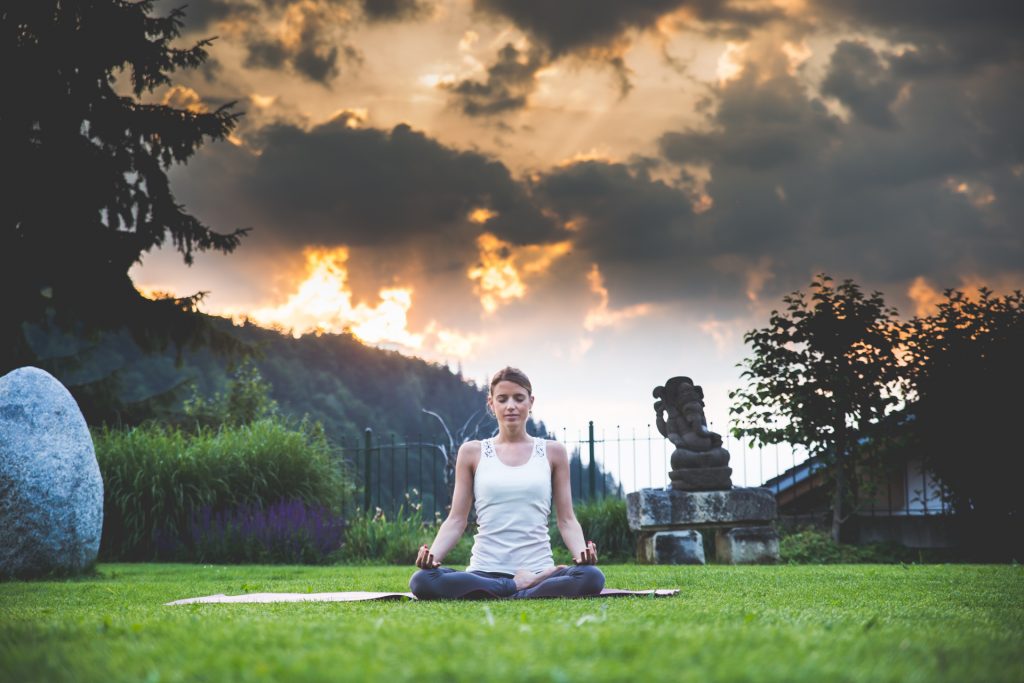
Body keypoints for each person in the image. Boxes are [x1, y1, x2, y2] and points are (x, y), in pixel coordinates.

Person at [409, 367, 605, 600]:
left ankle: (513, 587)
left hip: (538, 568)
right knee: (421, 580)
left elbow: (566, 519)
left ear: (531, 402)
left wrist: (582, 554)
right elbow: (457, 519)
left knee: (592, 576)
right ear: (491, 404)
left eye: (519, 398)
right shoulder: (472, 452)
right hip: (484, 571)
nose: (511, 405)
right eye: (502, 399)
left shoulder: (553, 452)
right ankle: (519, 587)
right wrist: (433, 557)